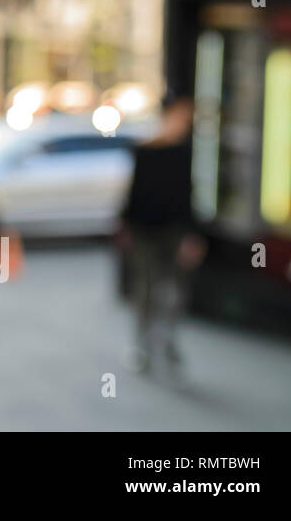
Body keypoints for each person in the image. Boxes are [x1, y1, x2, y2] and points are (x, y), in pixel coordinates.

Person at [115, 93, 206, 377]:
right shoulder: (145, 150)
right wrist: (125, 226)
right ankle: (143, 346)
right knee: (146, 288)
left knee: (174, 291)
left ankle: (167, 341)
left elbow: (189, 197)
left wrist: (193, 236)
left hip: (175, 231)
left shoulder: (187, 152)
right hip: (145, 231)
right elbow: (134, 193)